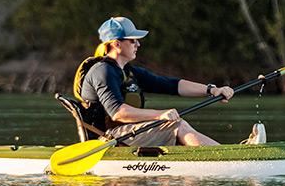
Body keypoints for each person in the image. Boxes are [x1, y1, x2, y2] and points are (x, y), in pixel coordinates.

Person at [73, 16, 236, 147]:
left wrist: (212, 90)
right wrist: (160, 115)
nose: (138, 44)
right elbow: (118, 113)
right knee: (177, 125)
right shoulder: (103, 71)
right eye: (132, 40)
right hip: (107, 140)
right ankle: (224, 156)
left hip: (125, 134)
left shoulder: (129, 72)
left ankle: (222, 152)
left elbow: (172, 85)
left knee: (175, 126)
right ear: (117, 44)